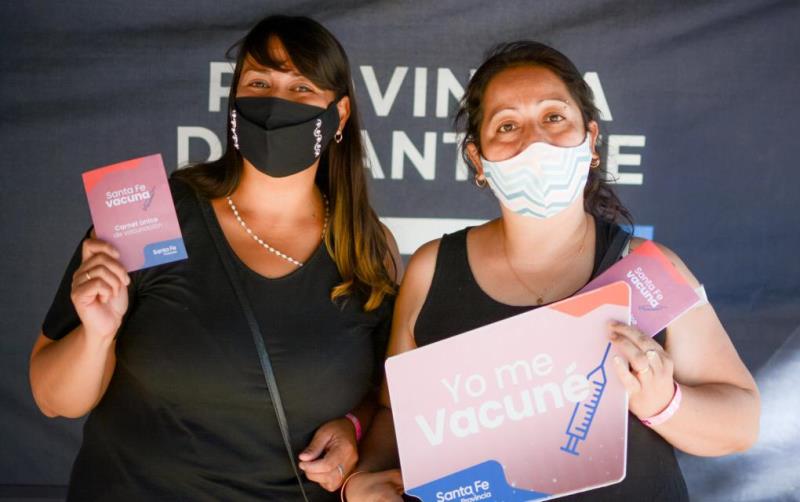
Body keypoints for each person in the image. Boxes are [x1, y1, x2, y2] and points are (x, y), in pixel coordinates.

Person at [344, 41, 760, 501]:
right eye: (507, 125)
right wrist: (366, 479)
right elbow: (396, 414)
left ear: (591, 140)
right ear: (478, 159)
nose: (535, 141)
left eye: (554, 117)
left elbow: (741, 424)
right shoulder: (431, 270)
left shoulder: (646, 268)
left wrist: (665, 404)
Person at [29, 15, 400, 501]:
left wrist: (353, 426)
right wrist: (97, 336)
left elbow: (383, 397)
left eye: (301, 88)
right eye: (259, 83)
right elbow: (53, 400)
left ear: (340, 114)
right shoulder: (150, 210)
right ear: (234, 98)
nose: (276, 103)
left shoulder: (368, 248)